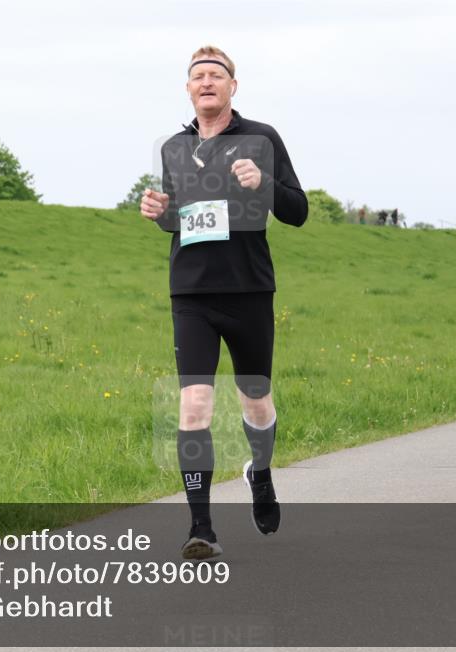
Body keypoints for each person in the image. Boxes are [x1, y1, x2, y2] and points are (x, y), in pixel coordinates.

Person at [140, 45, 308, 559]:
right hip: (191, 291)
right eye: (197, 76)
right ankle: (201, 527)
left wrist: (267, 183)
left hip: (249, 288)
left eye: (216, 74)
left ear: (234, 86)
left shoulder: (261, 138)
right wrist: (159, 211)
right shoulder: (172, 147)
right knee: (194, 404)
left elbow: (298, 211)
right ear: (188, 89)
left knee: (254, 399)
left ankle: (260, 473)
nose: (206, 81)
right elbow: (181, 218)